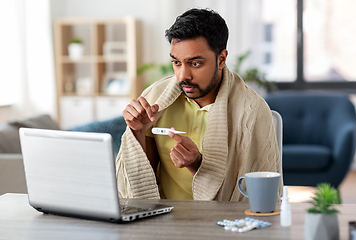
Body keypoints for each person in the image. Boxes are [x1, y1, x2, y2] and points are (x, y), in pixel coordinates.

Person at [115, 8, 280, 201]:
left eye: (195, 64)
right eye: (176, 63)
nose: (183, 76)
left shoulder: (252, 111)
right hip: (163, 222)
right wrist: (137, 131)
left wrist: (197, 165)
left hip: (219, 226)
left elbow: (258, 197)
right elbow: (143, 185)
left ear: (221, 59)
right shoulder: (156, 98)